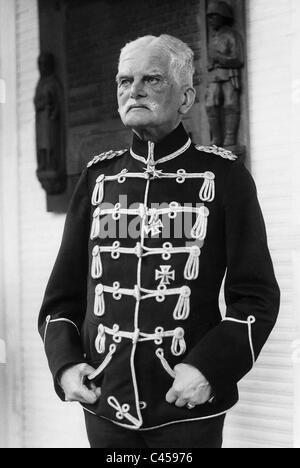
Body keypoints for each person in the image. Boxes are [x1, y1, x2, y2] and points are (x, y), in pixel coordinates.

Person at [38, 34, 280, 448]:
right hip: (104, 400)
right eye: (124, 81)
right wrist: (64, 365)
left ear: (186, 98)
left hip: (185, 403)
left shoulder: (224, 177)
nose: (134, 91)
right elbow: (62, 297)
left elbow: (254, 297)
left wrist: (208, 369)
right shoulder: (98, 179)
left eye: (152, 79)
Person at [205, 1, 244, 147]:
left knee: (230, 104)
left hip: (229, 75)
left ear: (223, 16)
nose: (210, 20)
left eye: (213, 17)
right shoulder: (213, 38)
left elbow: (238, 59)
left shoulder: (231, 35)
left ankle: (230, 138)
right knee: (210, 105)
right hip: (214, 77)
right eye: (208, 17)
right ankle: (216, 139)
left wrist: (220, 59)